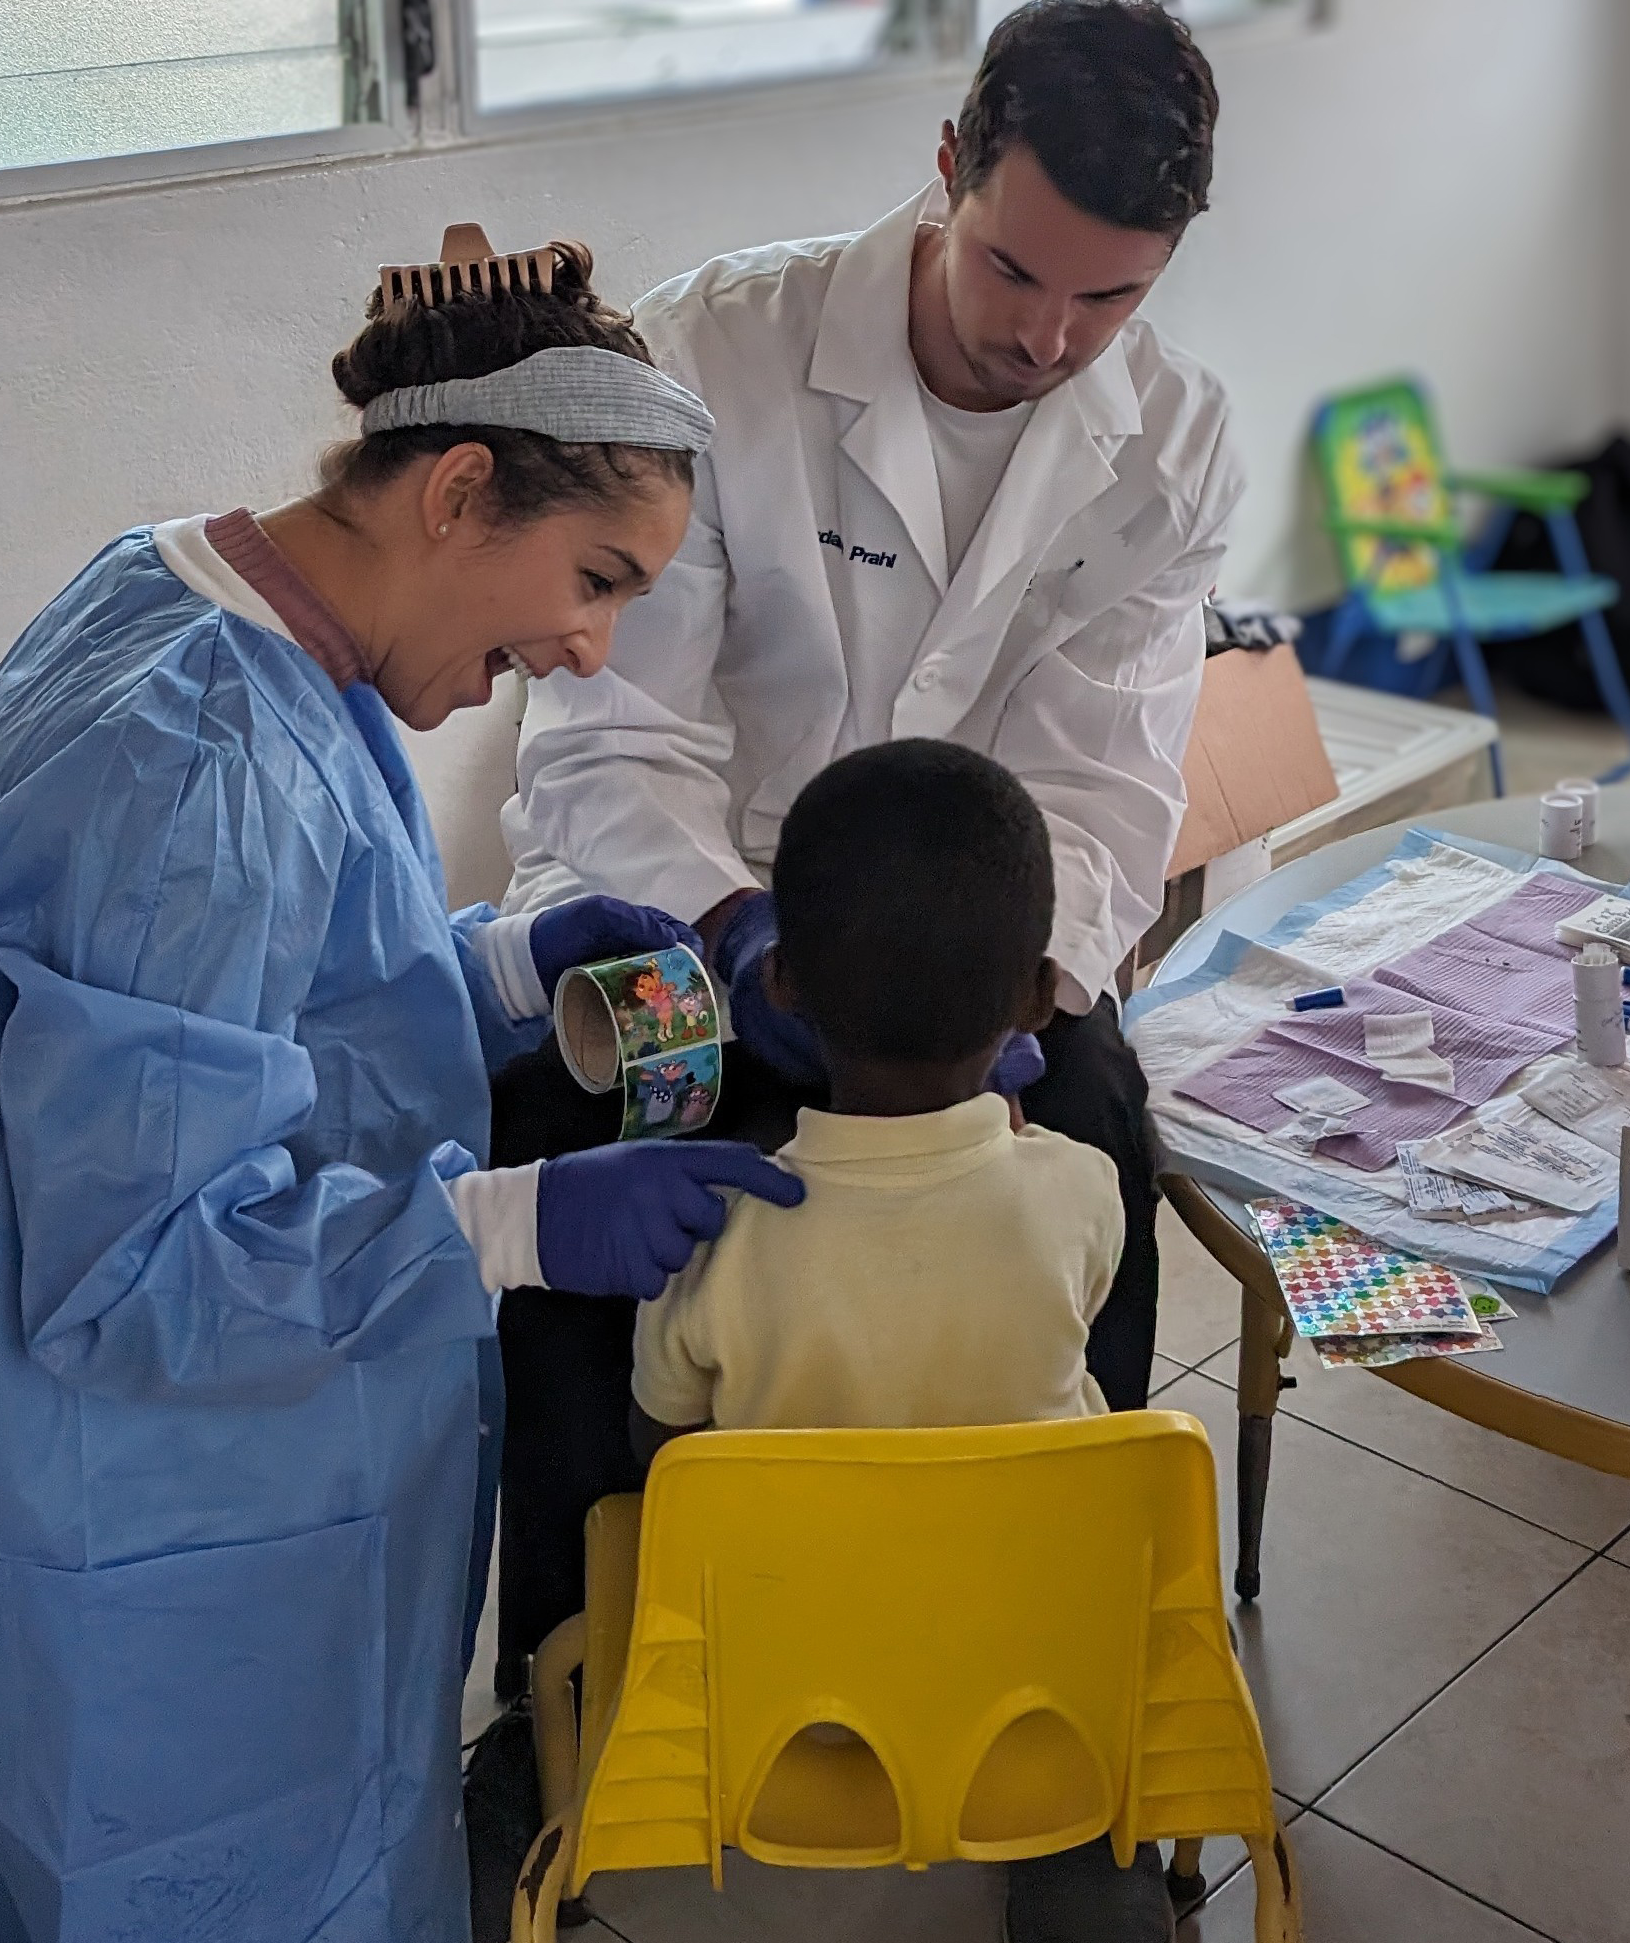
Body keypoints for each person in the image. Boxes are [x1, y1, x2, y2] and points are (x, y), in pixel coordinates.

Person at [0, 240, 803, 1942]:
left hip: (206, 1480)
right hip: (163, 1522)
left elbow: (256, 996)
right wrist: (515, 1225)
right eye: (594, 578)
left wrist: (499, 966)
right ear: (457, 490)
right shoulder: (197, 757)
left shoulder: (199, 613)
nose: (588, 649)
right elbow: (141, 1262)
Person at [488, 0, 1243, 1688]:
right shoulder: (710, 361)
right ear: (946, 167)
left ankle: (1073, 1670)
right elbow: (616, 731)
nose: (1046, 338)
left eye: (1108, 298)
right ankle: (569, 1682)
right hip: (704, 913)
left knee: (1095, 1130)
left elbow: (1100, 777)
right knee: (559, 1135)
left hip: (971, 946)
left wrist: (1022, 990)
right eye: (1011, 270)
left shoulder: (1174, 447)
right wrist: (739, 931)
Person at [630, 739, 1171, 1943]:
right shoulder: (1080, 1190)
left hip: (791, 1698)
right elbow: (1074, 1315)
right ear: (1035, 996)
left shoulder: (714, 1233)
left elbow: (659, 1445)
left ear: (779, 982)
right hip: (1037, 1682)